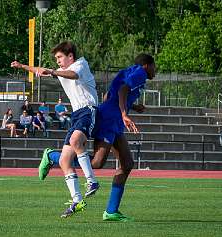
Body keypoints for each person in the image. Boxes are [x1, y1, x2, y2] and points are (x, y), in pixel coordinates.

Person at [38, 53, 156, 222]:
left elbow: (109, 95)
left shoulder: (131, 71)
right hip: (110, 120)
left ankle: (111, 211)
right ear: (147, 65)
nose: (155, 70)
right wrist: (124, 113)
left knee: (127, 163)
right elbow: (123, 89)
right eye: (154, 66)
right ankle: (52, 156)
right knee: (96, 163)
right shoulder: (140, 73)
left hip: (112, 119)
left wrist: (133, 106)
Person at [11, 41, 99, 218]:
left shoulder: (80, 64)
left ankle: (92, 181)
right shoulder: (60, 71)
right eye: (56, 58)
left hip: (88, 110)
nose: (57, 61)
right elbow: (39, 70)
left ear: (70, 56)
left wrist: (52, 71)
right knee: (65, 161)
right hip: (76, 115)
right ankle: (77, 200)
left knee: (75, 141)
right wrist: (22, 66)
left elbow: (73, 75)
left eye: (60, 57)